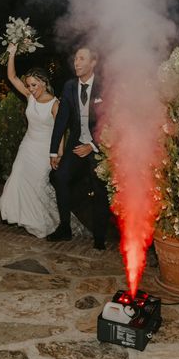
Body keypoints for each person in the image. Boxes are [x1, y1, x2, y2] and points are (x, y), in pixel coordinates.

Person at [0, 43, 63, 238]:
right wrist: (11, 53)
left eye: (34, 85)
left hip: (45, 150)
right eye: (29, 86)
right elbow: (12, 77)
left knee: (36, 185)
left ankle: (45, 223)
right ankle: (27, 219)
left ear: (44, 82)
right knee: (17, 179)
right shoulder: (30, 97)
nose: (31, 89)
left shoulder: (55, 104)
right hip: (27, 146)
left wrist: (57, 154)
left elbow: (60, 132)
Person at [48, 47, 110, 250]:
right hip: (76, 145)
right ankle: (65, 227)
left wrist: (92, 146)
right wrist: (54, 151)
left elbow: (111, 121)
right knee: (60, 177)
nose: (76, 62)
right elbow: (62, 120)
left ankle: (100, 236)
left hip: (99, 146)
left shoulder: (104, 86)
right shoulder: (69, 86)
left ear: (93, 63)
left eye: (82, 58)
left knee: (99, 189)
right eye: (75, 58)